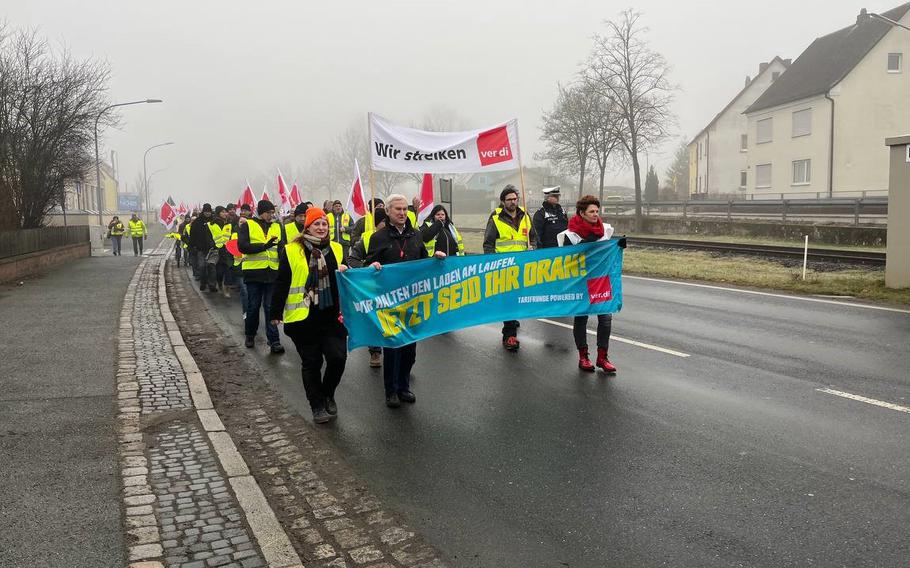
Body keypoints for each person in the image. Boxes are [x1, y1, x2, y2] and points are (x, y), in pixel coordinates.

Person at [349, 194, 445, 408]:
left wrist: (436, 260)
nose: (402, 213)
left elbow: (422, 262)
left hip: (412, 301)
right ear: (389, 212)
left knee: (410, 349)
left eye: (404, 209)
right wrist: (371, 268)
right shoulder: (378, 237)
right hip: (389, 302)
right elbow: (368, 267)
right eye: (397, 210)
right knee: (393, 348)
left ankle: (403, 386)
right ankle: (390, 390)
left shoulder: (416, 235)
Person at [270, 207, 347, 424]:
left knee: (337, 359)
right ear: (308, 226)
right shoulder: (292, 250)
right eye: (317, 224)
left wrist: (349, 268)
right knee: (311, 363)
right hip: (304, 318)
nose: (322, 228)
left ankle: (328, 393)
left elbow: (349, 274)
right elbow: (282, 281)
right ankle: (317, 406)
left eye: (325, 224)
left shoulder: (338, 248)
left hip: (332, 317)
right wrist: (275, 312)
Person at [557, 195, 621, 373]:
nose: (595, 215)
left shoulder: (605, 230)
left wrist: (619, 245)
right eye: (591, 211)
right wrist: (587, 244)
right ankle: (583, 356)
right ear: (581, 213)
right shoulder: (570, 235)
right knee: (581, 318)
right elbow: (568, 260)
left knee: (606, 318)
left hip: (600, 281)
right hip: (581, 281)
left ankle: (602, 357)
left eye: (597, 211)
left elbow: (609, 252)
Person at [483, 185, 537, 351]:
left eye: (515, 199)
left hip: (522, 267)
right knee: (509, 300)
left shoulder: (526, 216)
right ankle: (509, 335)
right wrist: (493, 264)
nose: (513, 202)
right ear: (502, 201)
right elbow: (488, 244)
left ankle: (512, 322)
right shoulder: (496, 218)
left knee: (516, 299)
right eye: (509, 200)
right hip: (504, 268)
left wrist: (533, 247)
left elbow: (533, 238)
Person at [238, 200, 285, 354]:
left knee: (270, 308)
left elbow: (281, 248)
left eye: (273, 213)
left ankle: (274, 341)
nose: (272, 216)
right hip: (253, 274)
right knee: (253, 307)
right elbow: (242, 247)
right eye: (269, 213)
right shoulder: (248, 225)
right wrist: (264, 246)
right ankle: (250, 335)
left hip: (272, 274)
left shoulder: (277, 226)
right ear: (261, 212)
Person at [347, 208, 389, 368]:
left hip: (395, 287)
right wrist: (367, 267)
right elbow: (352, 258)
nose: (386, 224)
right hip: (373, 287)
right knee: (375, 319)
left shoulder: (398, 236)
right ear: (377, 224)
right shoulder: (367, 239)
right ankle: (375, 351)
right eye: (383, 222)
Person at [190, 204, 217, 292]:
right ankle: (203, 282)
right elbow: (192, 234)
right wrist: (193, 246)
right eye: (206, 211)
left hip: (212, 249)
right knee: (202, 267)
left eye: (209, 211)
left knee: (211, 267)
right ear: (203, 211)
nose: (208, 213)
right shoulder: (197, 222)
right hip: (200, 249)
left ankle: (212, 285)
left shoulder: (214, 221)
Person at [210, 206, 233, 297]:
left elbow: (232, 235)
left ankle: (227, 289)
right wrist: (213, 245)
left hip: (228, 250)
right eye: (222, 212)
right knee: (219, 272)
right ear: (218, 213)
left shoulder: (229, 224)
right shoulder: (212, 224)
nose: (225, 213)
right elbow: (209, 236)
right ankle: (219, 282)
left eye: (225, 212)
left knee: (228, 270)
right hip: (217, 250)